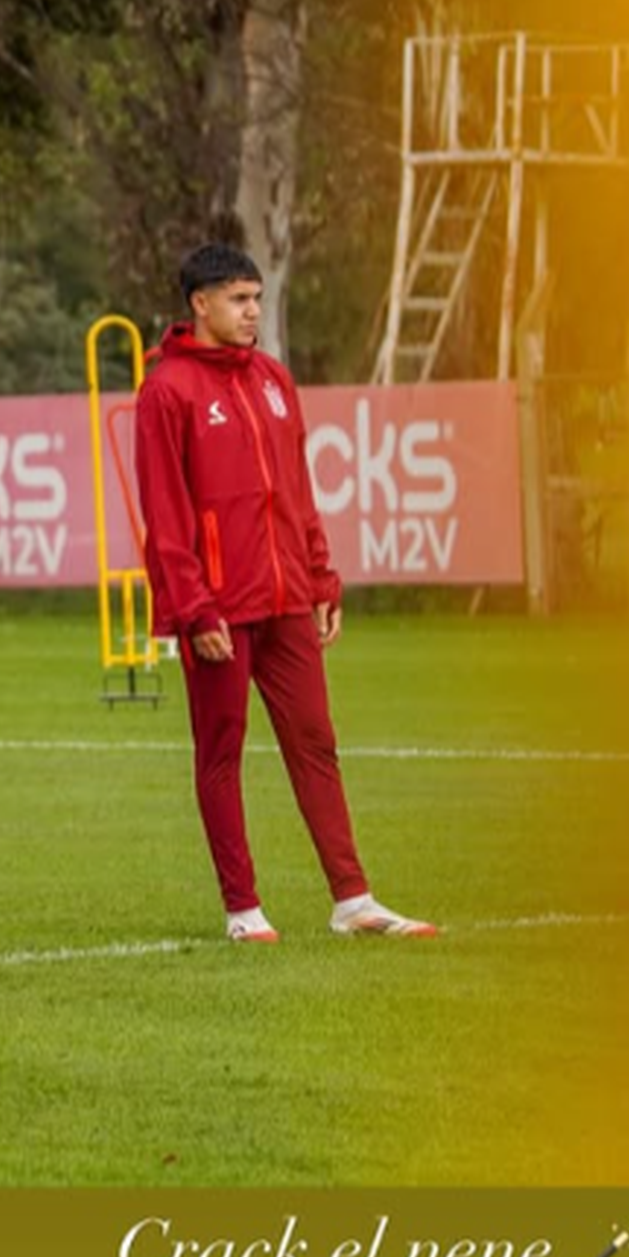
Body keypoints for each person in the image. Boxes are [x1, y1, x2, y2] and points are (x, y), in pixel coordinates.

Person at [133, 241, 438, 942]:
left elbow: (297, 491)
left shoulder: (273, 379)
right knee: (222, 751)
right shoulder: (167, 389)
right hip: (218, 608)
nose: (252, 313)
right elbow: (166, 511)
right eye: (239, 300)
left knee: (316, 741)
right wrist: (192, 606)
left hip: (287, 599)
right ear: (199, 304)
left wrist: (321, 575)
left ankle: (353, 900)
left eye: (257, 300)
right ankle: (243, 909)